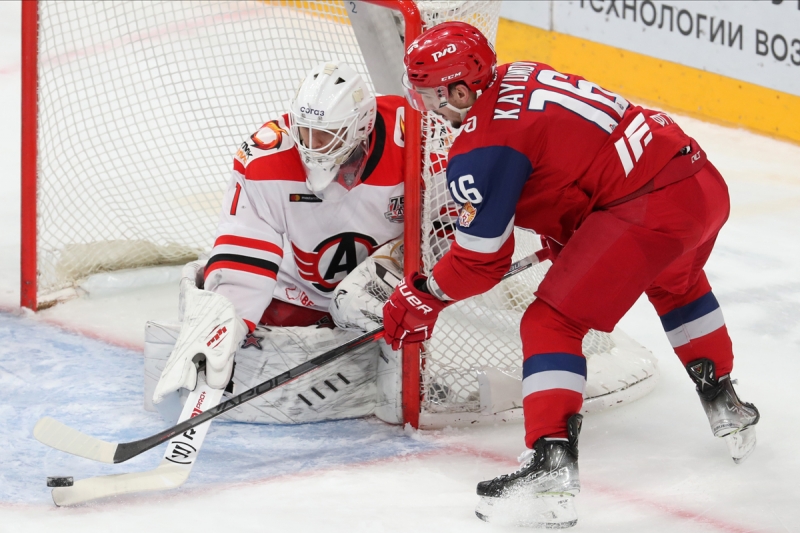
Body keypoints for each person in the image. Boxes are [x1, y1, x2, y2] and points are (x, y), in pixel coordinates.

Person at [383, 22, 760, 528]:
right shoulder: (519, 74)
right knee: (677, 284)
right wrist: (577, 230)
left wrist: (425, 293)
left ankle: (550, 463)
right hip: (696, 180)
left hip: (646, 204)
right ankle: (725, 402)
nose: (431, 109)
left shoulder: (482, 146)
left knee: (550, 324)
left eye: (432, 96)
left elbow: (480, 262)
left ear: (460, 88)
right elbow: (576, 155)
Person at [148, 61, 408, 424]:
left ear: (360, 127)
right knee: (210, 292)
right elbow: (245, 246)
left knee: (360, 305)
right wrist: (225, 328)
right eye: (305, 131)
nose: (311, 146)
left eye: (326, 135)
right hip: (295, 288)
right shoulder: (267, 157)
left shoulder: (412, 138)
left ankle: (404, 376)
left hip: (378, 277)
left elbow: (445, 219)